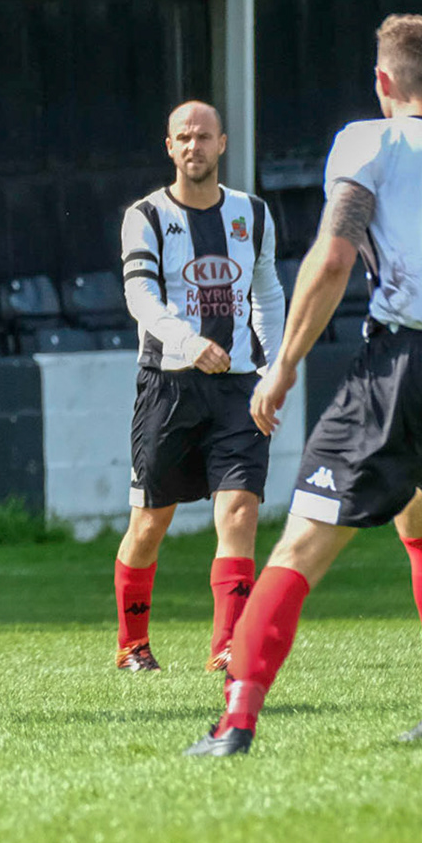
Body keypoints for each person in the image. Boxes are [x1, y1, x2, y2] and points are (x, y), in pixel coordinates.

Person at [184, 14, 422, 757]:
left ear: (383, 83)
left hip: (405, 366)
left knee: (298, 548)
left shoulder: (371, 139)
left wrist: (285, 363)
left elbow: (332, 257)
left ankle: (235, 722)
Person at [112, 101, 285, 674]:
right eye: (183, 138)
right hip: (168, 387)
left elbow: (268, 293)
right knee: (149, 521)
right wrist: (188, 343)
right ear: (169, 147)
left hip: (239, 389)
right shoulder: (145, 216)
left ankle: (228, 646)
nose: (194, 147)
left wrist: (274, 368)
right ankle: (133, 645)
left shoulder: (253, 215)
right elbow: (140, 298)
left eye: (203, 137)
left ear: (222, 144)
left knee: (239, 509)